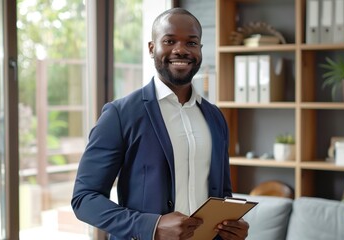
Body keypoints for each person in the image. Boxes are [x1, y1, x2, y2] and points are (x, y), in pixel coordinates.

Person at [71, 7, 249, 240]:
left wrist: (232, 225)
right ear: (152, 48)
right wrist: (151, 227)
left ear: (200, 50)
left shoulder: (215, 117)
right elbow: (84, 199)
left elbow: (222, 194)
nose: (181, 50)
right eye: (169, 40)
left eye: (191, 43)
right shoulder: (120, 114)